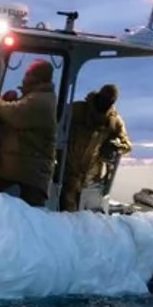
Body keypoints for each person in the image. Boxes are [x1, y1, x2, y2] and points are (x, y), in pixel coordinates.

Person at [0, 60, 58, 207]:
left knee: (30, 217)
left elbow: (12, 114)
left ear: (36, 77)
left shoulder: (40, 101)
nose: (24, 78)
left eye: (28, 74)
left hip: (29, 170)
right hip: (24, 166)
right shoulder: (37, 97)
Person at [59, 84, 133, 212]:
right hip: (66, 170)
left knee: (85, 216)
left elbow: (126, 145)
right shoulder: (77, 110)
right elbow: (57, 124)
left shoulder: (113, 122)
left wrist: (116, 145)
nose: (105, 103)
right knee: (65, 211)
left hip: (91, 178)